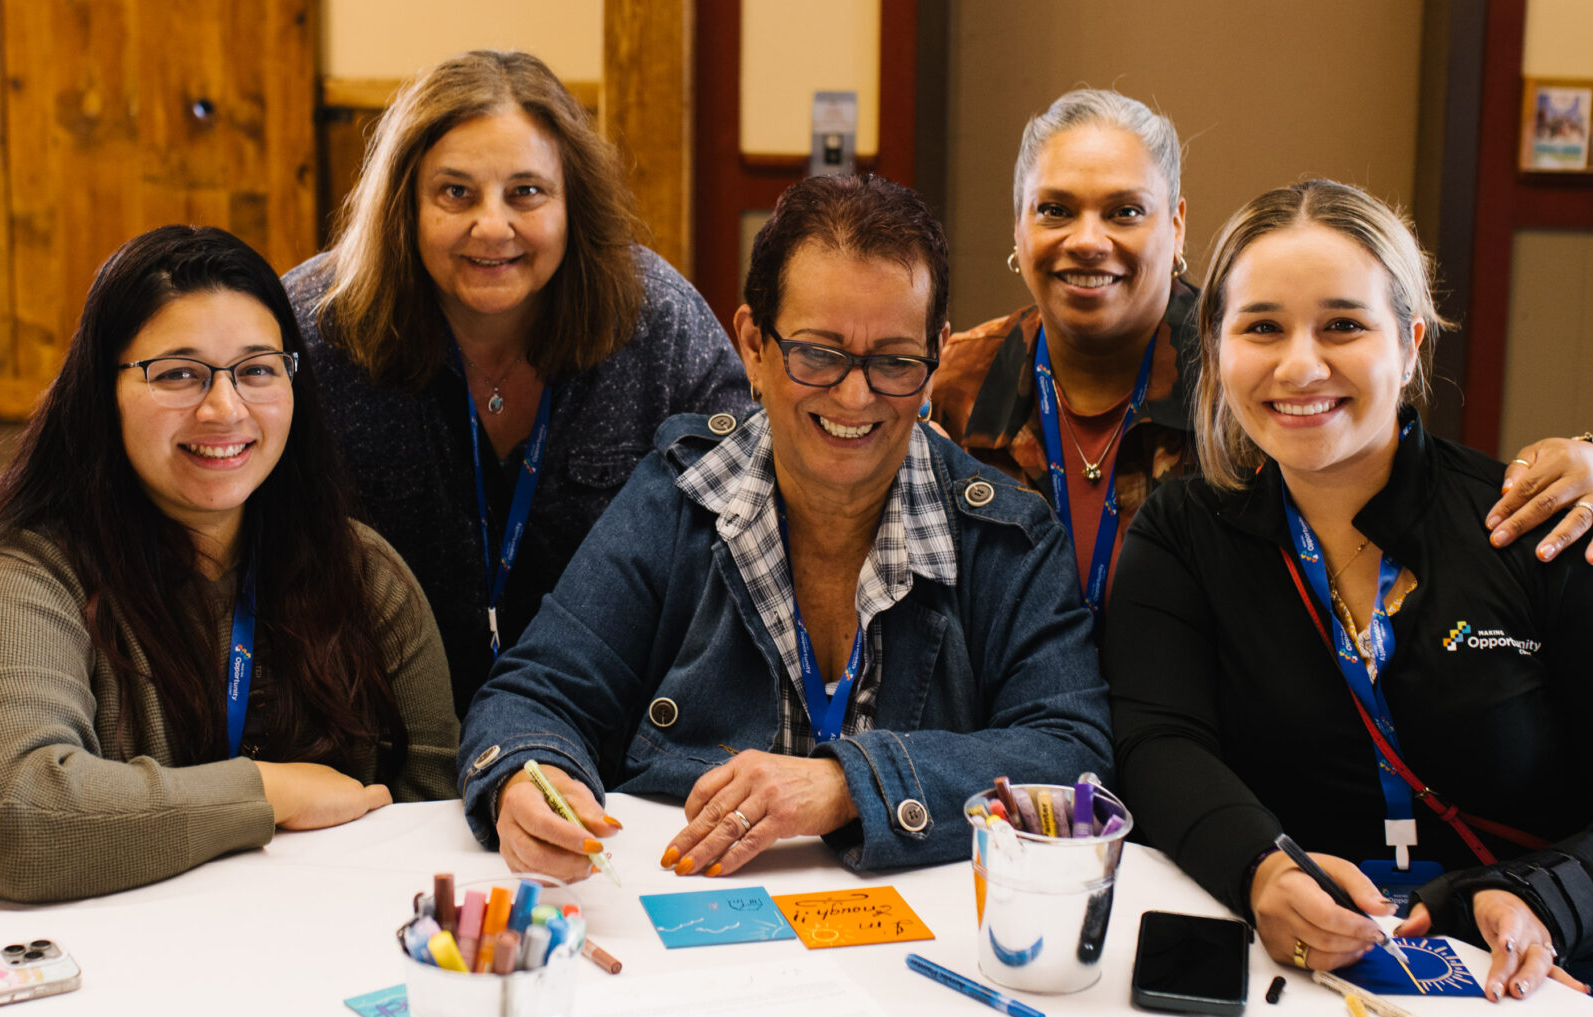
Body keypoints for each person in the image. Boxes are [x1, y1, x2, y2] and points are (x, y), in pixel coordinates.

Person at [1104, 180, 1593, 1017]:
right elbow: (1158, 745)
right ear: (1216, 347)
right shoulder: (1184, 531)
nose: (1300, 366)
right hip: (1310, 951)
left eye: (1344, 325)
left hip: (1551, 945)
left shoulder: (1535, 524)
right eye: (1262, 327)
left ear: (1411, 341)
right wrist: (1257, 869)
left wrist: (1544, 898)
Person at [461, 174, 1112, 881]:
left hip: (929, 952)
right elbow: (534, 696)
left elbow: (1072, 757)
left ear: (935, 361)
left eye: (894, 362)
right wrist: (529, 776)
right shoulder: (677, 499)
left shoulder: (1009, 540)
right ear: (753, 347)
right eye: (819, 354)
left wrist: (847, 783)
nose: (855, 396)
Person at [930, 88, 1593, 619]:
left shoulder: (1253, 374)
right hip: (1016, 748)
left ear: (1177, 229)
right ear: (1018, 227)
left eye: (1125, 212)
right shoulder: (952, 382)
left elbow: (1406, 480)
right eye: (1055, 209)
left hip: (1220, 736)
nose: (1088, 239)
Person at [0, 226, 460, 902]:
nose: (223, 408)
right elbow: (13, 818)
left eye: (257, 369)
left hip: (325, 953)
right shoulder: (24, 579)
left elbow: (432, 813)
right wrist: (270, 791)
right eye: (178, 373)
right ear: (102, 392)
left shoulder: (362, 571)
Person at [285, 51, 749, 716]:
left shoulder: (657, 322)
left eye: (526, 192)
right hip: (375, 739)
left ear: (571, 203)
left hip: (604, 734)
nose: (492, 226)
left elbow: (746, 511)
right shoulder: (315, 325)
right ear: (405, 205)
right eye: (456, 193)